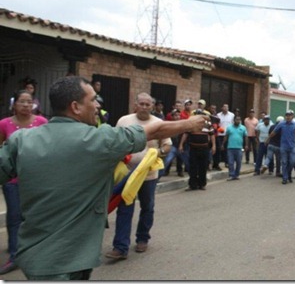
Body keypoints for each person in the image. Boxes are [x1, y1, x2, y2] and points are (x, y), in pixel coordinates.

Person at [0, 76, 207, 280]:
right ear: (75, 107)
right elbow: (155, 131)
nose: (98, 106)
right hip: (67, 264)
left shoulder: (21, 140)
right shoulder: (99, 139)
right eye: (92, 100)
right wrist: (189, 124)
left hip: (34, 257)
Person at [106, 93, 173, 260]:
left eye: (147, 104)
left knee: (147, 206)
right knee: (124, 209)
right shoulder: (124, 121)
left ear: (152, 106)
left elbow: (167, 145)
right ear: (135, 105)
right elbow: (115, 141)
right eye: (141, 104)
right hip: (127, 173)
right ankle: (120, 247)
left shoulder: (158, 124)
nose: (144, 107)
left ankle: (142, 238)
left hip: (148, 175)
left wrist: (157, 153)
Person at [0, 90, 48, 275]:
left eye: (30, 102)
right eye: (22, 102)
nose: (26, 105)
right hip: (12, 180)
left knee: (35, 217)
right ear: (14, 104)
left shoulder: (42, 123)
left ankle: (35, 251)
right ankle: (15, 256)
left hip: (35, 179)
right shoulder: (4, 124)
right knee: (14, 218)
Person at [267, 110, 295, 185]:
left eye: (290, 115)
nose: (288, 117)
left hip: (292, 147)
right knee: (284, 162)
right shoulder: (281, 124)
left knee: (292, 161)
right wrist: (268, 139)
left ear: (292, 116)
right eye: (287, 115)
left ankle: (288, 174)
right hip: (283, 147)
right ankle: (285, 178)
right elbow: (274, 132)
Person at [179, 109, 216, 191]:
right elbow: (185, 134)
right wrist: (181, 144)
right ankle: (192, 185)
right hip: (193, 149)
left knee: (203, 167)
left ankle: (202, 184)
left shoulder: (207, 124)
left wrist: (214, 146)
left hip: (204, 149)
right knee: (193, 167)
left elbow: (212, 135)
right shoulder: (191, 124)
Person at [160, 109, 186, 178]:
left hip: (180, 144)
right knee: (168, 159)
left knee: (180, 159)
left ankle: (180, 171)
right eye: (175, 115)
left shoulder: (182, 125)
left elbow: (184, 135)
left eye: (178, 115)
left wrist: (182, 144)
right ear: (172, 117)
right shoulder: (169, 125)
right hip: (172, 145)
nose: (177, 117)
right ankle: (165, 171)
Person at [223, 115, 247, 181]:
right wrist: (223, 144)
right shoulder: (229, 128)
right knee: (230, 162)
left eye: (239, 119)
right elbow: (226, 136)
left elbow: (245, 136)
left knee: (239, 162)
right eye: (237, 119)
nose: (238, 121)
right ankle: (231, 175)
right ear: (234, 120)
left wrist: (246, 145)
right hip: (230, 147)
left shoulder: (243, 128)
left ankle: (237, 175)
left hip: (240, 148)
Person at [215, 104, 234, 170]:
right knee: (219, 149)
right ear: (222, 108)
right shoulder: (218, 115)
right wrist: (220, 130)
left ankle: (227, 162)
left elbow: (233, 125)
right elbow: (217, 125)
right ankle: (218, 163)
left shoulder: (232, 115)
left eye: (226, 107)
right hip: (220, 134)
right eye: (224, 107)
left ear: (228, 108)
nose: (225, 108)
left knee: (227, 149)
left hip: (228, 135)